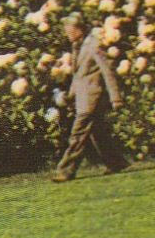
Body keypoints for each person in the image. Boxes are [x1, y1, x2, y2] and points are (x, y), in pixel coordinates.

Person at [51, 15, 128, 182]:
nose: (67, 34)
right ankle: (116, 162)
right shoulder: (77, 47)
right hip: (83, 98)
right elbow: (79, 76)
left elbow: (108, 71)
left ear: (78, 30)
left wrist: (116, 98)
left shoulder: (94, 45)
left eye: (69, 31)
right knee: (98, 133)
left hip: (92, 98)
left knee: (77, 135)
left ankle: (65, 171)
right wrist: (70, 96)